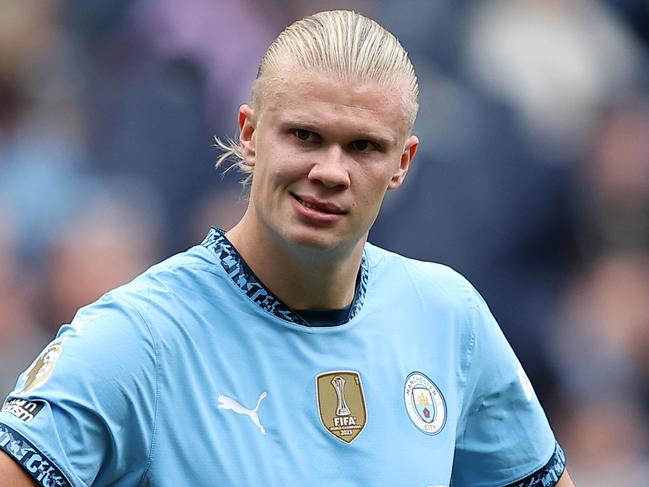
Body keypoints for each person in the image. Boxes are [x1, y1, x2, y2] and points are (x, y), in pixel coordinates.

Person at [0, 10, 574, 486]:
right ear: (250, 133)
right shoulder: (139, 336)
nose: (330, 170)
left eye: (364, 147)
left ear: (403, 163)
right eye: (304, 135)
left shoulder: (452, 320)